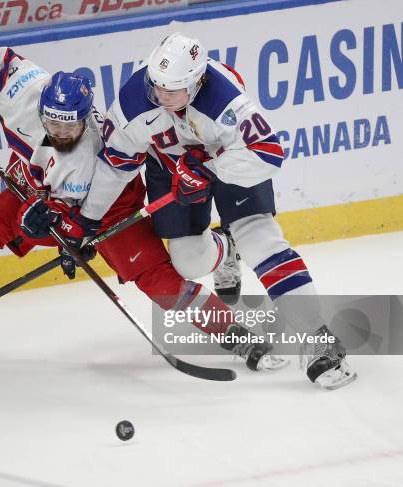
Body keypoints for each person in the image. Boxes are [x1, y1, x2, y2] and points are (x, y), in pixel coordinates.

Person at [0, 46, 286, 372]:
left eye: (71, 126)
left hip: (109, 207)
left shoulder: (83, 157)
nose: (62, 134)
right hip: (38, 194)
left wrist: (56, 229)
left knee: (160, 282)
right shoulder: (26, 92)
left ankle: (235, 333)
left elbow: (77, 221)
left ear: (85, 119)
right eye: (52, 124)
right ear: (39, 109)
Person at [77, 32, 356, 390]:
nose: (161, 97)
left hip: (231, 161)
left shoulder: (225, 99)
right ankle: (225, 248)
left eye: (173, 90)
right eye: (157, 86)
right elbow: (115, 164)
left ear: (196, 84)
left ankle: (320, 341)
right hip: (170, 168)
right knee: (190, 262)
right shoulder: (134, 100)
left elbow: (268, 153)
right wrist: (87, 220)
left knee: (259, 240)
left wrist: (210, 169)